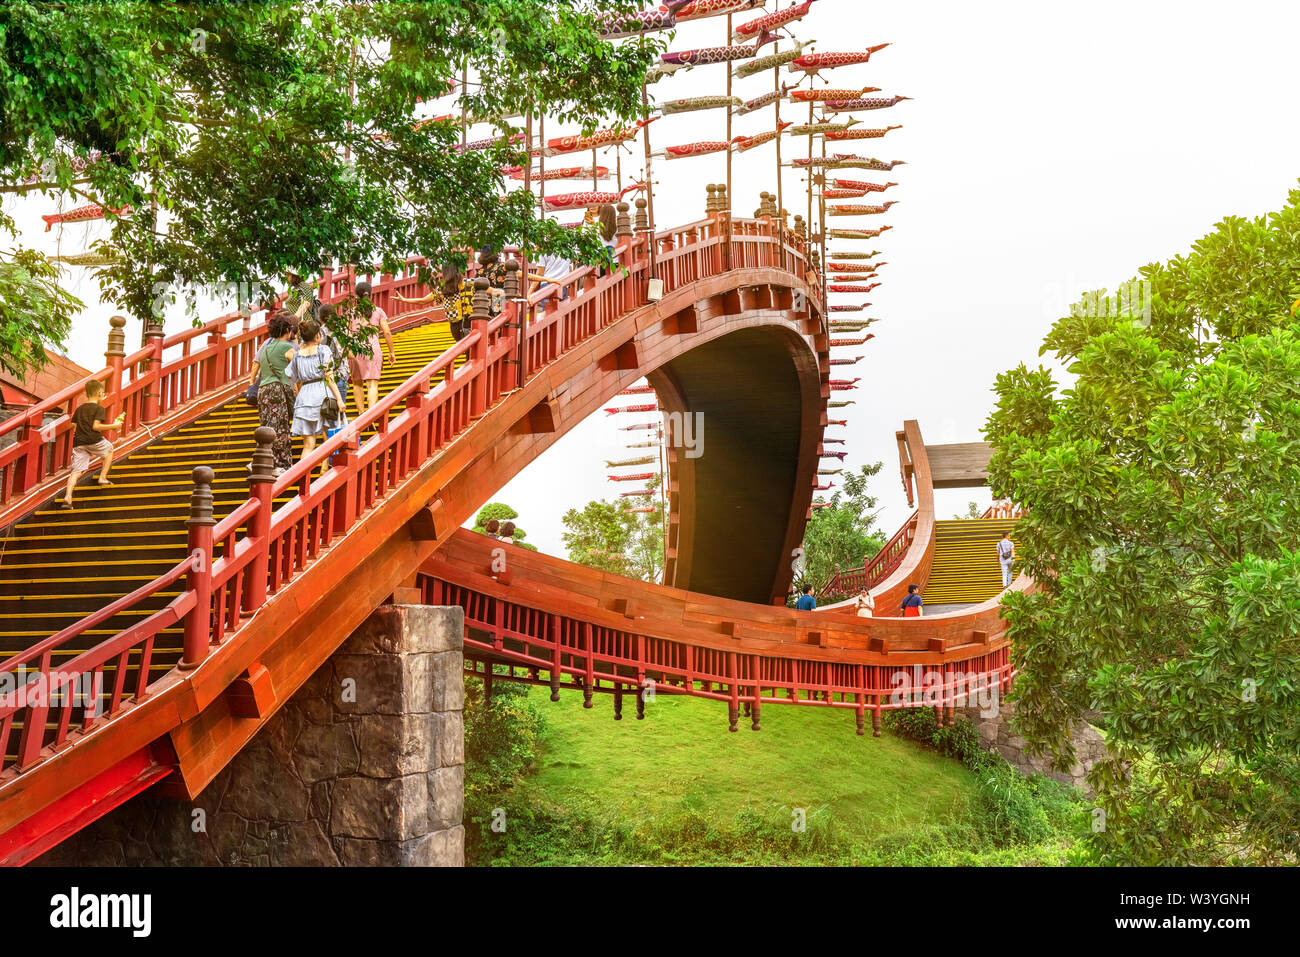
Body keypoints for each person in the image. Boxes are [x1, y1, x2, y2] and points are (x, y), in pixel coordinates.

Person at [58, 380, 123, 509]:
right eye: (103, 393)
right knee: (109, 450)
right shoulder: (99, 408)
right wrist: (114, 426)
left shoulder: (79, 408)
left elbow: (74, 426)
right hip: (93, 440)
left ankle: (68, 497)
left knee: (77, 471)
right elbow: (96, 426)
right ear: (99, 393)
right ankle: (103, 478)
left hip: (79, 442)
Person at [289, 319, 345, 462]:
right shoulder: (323, 350)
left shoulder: (297, 355)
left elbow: (295, 380)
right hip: (323, 393)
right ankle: (325, 470)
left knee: (308, 445)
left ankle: (302, 479)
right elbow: (329, 375)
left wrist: (299, 399)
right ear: (318, 336)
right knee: (329, 438)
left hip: (304, 397)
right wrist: (339, 399)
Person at [248, 310, 297, 475]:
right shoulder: (286, 347)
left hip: (263, 390)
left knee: (267, 426)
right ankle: (280, 464)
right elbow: (299, 366)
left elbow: (257, 366)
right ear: (287, 331)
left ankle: (262, 459)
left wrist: (250, 382)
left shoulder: (266, 348)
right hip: (277, 390)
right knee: (280, 427)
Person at [345, 281, 396, 415]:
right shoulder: (378, 311)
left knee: (357, 384)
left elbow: (347, 333)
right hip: (373, 349)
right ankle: (371, 416)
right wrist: (392, 352)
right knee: (372, 384)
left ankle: (361, 415)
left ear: (356, 297)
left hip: (355, 349)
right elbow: (387, 332)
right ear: (370, 294)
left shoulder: (350, 313)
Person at [394, 263, 473, 340]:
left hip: (456, 327)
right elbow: (485, 290)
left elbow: (422, 301)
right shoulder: (470, 283)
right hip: (472, 322)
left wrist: (404, 299)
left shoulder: (443, 289)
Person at [316, 303, 350, 414]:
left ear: (320, 317)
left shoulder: (319, 333)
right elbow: (351, 355)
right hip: (342, 373)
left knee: (327, 413)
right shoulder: (343, 330)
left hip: (325, 376)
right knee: (340, 411)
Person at [477, 247, 508, 317]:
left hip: (483, 307)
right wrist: (538, 279)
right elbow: (520, 274)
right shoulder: (502, 267)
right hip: (499, 304)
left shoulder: (480, 271)